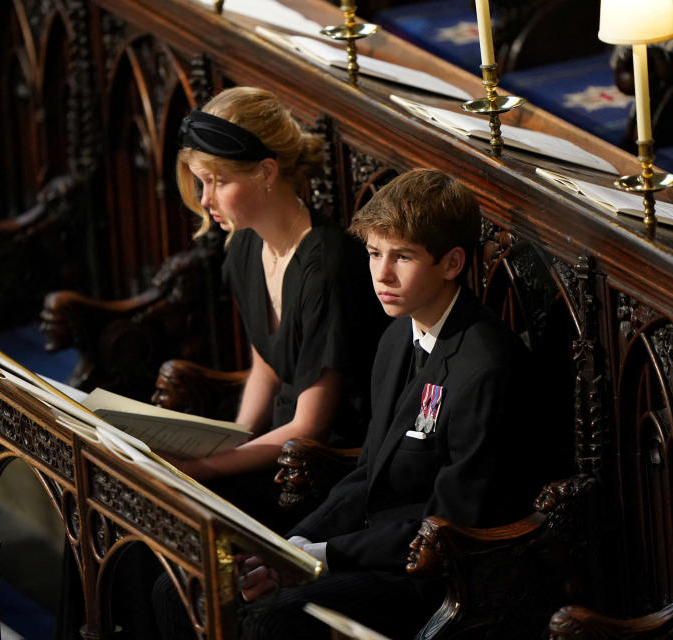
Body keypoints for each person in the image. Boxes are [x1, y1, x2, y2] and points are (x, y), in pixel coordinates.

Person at [219, 167, 546, 639]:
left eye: (403, 257)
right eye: (374, 253)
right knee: (216, 586)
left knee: (271, 618)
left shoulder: (486, 366)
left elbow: (450, 521)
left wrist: (323, 556)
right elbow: (367, 473)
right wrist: (290, 545)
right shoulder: (396, 336)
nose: (381, 274)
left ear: (452, 263)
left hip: (433, 571)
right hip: (377, 548)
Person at [168, 87, 384, 526]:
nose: (205, 200)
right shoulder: (244, 246)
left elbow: (311, 429)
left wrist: (201, 471)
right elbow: (266, 367)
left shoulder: (327, 267)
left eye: (219, 181)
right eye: (201, 182)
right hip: (274, 450)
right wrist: (232, 441)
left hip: (321, 474)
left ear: (267, 172)